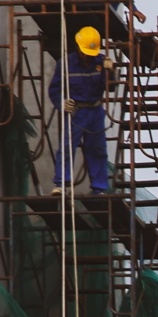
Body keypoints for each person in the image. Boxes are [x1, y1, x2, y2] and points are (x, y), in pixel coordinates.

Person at [48, 26, 111, 195]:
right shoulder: (66, 64)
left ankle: (99, 188)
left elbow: (109, 87)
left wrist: (111, 72)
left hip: (95, 111)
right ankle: (61, 184)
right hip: (76, 111)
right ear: (78, 47)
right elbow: (55, 88)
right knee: (67, 147)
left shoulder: (101, 62)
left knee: (97, 149)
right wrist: (62, 103)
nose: (88, 57)